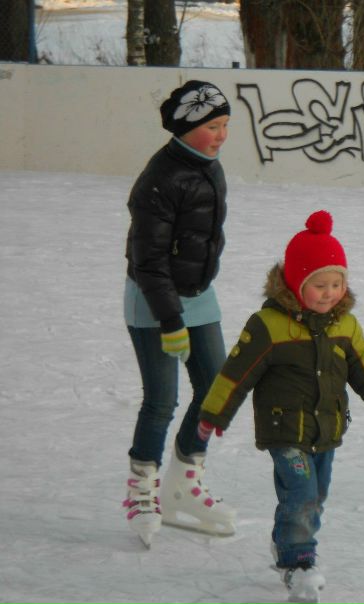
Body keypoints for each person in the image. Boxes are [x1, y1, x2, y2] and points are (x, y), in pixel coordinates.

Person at [196, 210, 364, 603]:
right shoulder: (268, 325)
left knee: (316, 495)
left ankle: (288, 543)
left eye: (337, 283)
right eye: (319, 285)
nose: (329, 293)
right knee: (301, 491)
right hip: (284, 430)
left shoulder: (344, 326)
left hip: (326, 429)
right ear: (296, 283)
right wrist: (215, 413)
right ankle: (299, 560)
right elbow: (236, 373)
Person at [122, 80, 236, 547]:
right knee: (161, 401)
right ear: (185, 127)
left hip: (198, 293)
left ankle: (183, 482)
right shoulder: (160, 179)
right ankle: (142, 489)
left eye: (226, 124)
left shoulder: (209, 167)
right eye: (213, 126)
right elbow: (148, 260)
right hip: (154, 298)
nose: (222, 135)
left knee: (217, 389)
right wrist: (170, 320)